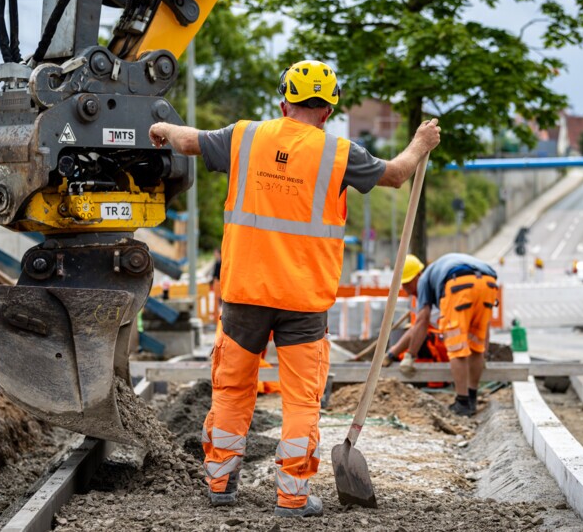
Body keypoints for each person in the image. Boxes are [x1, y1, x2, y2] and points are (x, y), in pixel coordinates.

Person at [148, 60, 441, 518]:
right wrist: (421, 143)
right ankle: (293, 496)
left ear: (283, 102)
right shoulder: (339, 152)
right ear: (328, 110)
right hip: (304, 302)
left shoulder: (244, 137)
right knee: (301, 400)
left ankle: (220, 483)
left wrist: (161, 126)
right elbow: (397, 174)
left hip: (244, 294)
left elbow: (187, 140)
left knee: (231, 390)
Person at [398, 253, 499, 417]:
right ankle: (472, 398)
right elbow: (485, 325)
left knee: (456, 345)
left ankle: (463, 402)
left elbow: (422, 320)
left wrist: (410, 356)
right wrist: (484, 352)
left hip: (458, 284)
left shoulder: (424, 280)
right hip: (488, 282)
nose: (407, 290)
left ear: (417, 275)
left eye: (407, 284)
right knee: (476, 345)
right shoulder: (440, 268)